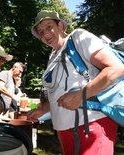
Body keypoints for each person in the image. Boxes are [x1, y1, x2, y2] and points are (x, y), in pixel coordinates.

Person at [27, 10, 124, 155]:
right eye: (40, 32)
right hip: (64, 129)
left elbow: (116, 68)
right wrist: (44, 109)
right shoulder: (53, 56)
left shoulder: (78, 37)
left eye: (48, 26)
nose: (45, 33)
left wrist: (81, 95)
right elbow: (58, 94)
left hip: (91, 124)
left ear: (60, 25)